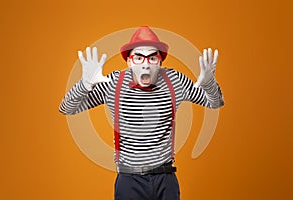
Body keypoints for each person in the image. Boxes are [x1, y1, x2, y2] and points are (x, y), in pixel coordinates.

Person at [59, 26, 224, 200]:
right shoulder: (113, 83)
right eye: (138, 58)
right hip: (129, 181)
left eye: (152, 58)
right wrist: (85, 84)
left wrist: (209, 84)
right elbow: (67, 108)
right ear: (129, 62)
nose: (145, 64)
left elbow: (214, 103)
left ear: (160, 62)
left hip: (165, 179)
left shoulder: (174, 80)